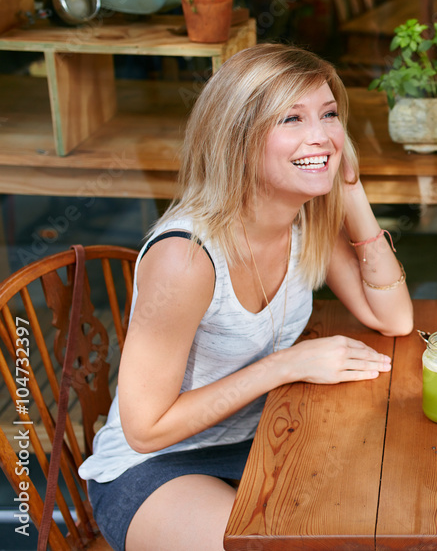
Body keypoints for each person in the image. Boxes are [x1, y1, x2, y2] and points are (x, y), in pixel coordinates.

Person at [79, 44, 413, 551]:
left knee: (390, 513)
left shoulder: (302, 219)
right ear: (237, 139)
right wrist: (285, 365)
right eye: (291, 119)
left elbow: (392, 317)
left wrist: (352, 191)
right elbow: (145, 430)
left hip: (263, 439)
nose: (321, 135)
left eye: (328, 115)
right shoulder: (185, 257)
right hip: (157, 466)